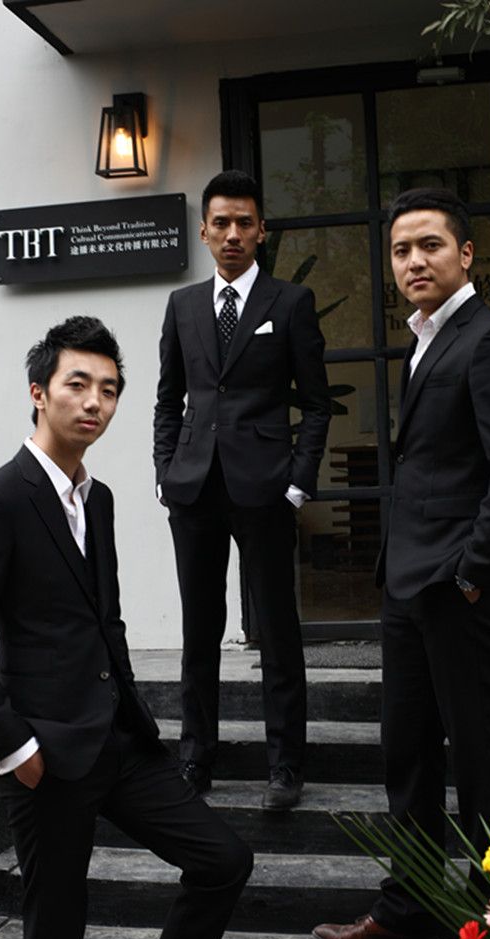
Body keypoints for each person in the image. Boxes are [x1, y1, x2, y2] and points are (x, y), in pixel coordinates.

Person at [0, 316, 253, 939]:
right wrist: (17, 749)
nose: (94, 402)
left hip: (118, 742)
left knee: (224, 860)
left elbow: (104, 620)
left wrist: (131, 712)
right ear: (38, 392)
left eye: (109, 390)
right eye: (77, 384)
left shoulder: (99, 499)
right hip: (46, 755)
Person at [313, 187, 490, 939]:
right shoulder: (423, 341)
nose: (414, 260)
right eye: (401, 250)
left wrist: (473, 573)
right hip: (408, 587)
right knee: (406, 756)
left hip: (461, 592)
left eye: (430, 245)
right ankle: (407, 905)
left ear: (466, 254)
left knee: (482, 766)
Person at [153, 170, 330, 810]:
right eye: (221, 223)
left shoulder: (291, 302)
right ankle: (195, 759)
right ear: (204, 231)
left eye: (244, 223)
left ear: (262, 231)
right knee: (199, 632)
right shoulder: (182, 305)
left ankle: (285, 767)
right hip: (193, 489)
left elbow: (316, 404)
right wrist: (165, 473)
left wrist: (298, 484)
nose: (232, 233)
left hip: (266, 489)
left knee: (277, 631)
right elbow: (168, 399)